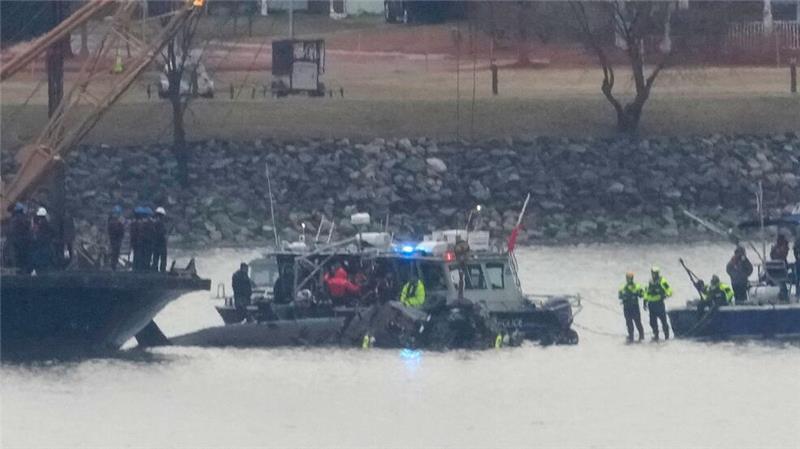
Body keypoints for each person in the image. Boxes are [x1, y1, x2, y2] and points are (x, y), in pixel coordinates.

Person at [643, 266, 672, 340]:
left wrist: (666, 295)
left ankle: (667, 336)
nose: (653, 275)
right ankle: (656, 335)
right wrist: (645, 301)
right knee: (652, 322)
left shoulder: (662, 281)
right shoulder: (650, 281)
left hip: (659, 304)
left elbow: (669, 290)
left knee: (663, 321)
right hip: (651, 304)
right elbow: (647, 292)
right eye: (652, 273)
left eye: (655, 273)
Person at [618, 272, 645, 342]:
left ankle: (641, 336)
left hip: (635, 307)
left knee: (638, 322)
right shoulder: (623, 287)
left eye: (630, 278)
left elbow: (642, 294)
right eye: (628, 278)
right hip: (627, 308)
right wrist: (625, 296)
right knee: (629, 323)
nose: (629, 279)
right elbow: (620, 296)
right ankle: (631, 337)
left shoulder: (637, 286)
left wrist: (636, 293)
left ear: (632, 278)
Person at [9, 203, 31, 273]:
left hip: (18, 240)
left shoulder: (15, 218)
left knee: (19, 256)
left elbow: (12, 230)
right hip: (22, 240)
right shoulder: (22, 218)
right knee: (22, 256)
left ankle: (20, 269)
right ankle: (23, 270)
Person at [30, 207, 54, 272]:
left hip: (41, 243)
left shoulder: (41, 224)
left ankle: (41, 268)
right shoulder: (46, 223)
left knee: (40, 257)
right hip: (44, 243)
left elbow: (36, 232)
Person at [107, 206, 125, 270]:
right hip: (114, 239)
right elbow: (115, 231)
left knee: (116, 252)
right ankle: (113, 265)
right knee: (114, 252)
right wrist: (120, 224)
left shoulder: (115, 221)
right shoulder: (112, 221)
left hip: (117, 239)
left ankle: (114, 264)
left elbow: (122, 231)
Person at [151, 207, 168, 272]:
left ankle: (155, 269)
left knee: (156, 257)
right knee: (162, 257)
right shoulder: (160, 223)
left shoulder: (154, 223)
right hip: (161, 243)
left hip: (156, 243)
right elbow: (161, 233)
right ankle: (162, 270)